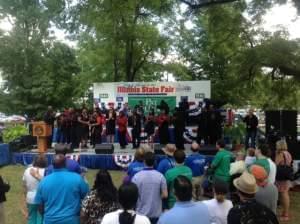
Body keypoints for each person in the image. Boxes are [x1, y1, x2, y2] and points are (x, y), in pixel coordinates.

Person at [35, 154, 89, 224]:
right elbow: (87, 197)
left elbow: (39, 204)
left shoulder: (43, 182)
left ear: (52, 165)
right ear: (66, 164)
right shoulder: (77, 178)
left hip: (50, 220)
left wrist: (46, 216)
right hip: (72, 220)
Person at [132, 152, 168, 224]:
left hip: (141, 215)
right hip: (156, 214)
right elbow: (165, 195)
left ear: (144, 161)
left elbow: (133, 195)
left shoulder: (136, 177)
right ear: (154, 162)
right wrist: (157, 197)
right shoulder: (160, 176)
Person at [22, 154, 47, 224]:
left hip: (30, 197)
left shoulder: (27, 170)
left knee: (31, 218)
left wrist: (24, 198)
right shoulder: (45, 171)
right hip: (42, 199)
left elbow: (24, 186)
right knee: (40, 219)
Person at [275, 139, 293, 221]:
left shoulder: (281, 154)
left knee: (283, 194)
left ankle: (285, 214)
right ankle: (285, 212)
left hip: (280, 177)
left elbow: (276, 163)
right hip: (286, 176)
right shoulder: (288, 153)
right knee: (285, 194)